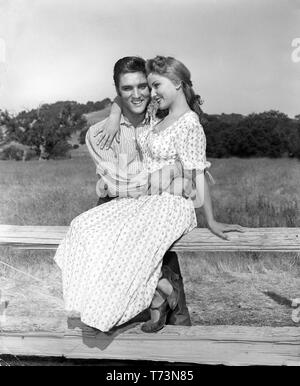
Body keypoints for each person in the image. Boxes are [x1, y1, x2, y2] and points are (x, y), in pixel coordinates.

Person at [54, 55, 243, 333]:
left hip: (161, 206)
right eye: (128, 88)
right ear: (117, 91)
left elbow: (195, 168)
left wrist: (190, 192)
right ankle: (122, 317)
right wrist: (167, 174)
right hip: (126, 201)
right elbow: (117, 185)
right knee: (92, 239)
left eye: (147, 86)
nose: (143, 94)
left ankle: (176, 334)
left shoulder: (164, 117)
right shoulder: (103, 133)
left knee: (160, 278)